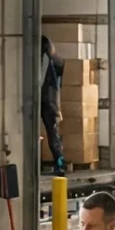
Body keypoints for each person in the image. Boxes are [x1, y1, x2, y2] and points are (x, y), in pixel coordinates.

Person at [40, 36, 67, 177]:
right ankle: (60, 163)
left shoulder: (49, 62)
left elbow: (46, 83)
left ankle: (60, 164)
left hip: (46, 102)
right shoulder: (56, 62)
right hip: (49, 102)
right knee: (53, 135)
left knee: (52, 135)